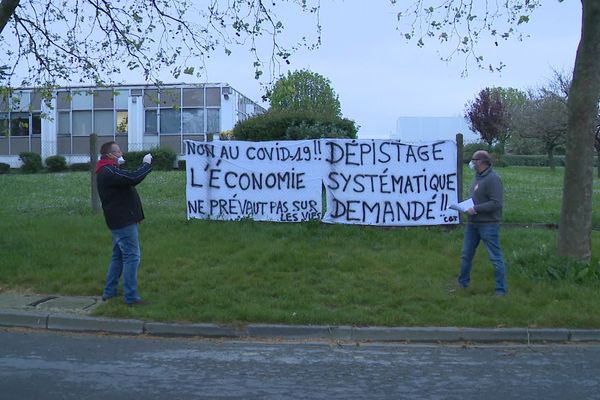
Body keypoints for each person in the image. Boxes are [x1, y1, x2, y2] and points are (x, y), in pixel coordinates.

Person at [95, 141, 153, 305]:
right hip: (122, 221)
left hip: (119, 220)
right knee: (132, 257)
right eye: (118, 151)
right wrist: (146, 165)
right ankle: (131, 297)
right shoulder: (108, 172)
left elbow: (126, 182)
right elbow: (133, 178)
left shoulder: (109, 170)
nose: (121, 153)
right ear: (110, 155)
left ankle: (110, 291)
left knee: (118, 257)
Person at [457, 150, 507, 296]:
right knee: (466, 254)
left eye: (473, 160)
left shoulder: (493, 179)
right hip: (472, 224)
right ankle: (463, 284)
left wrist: (476, 209)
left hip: (488, 224)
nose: (471, 162)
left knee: (495, 257)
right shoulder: (477, 178)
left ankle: (501, 290)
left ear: (481, 161)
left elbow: (496, 203)